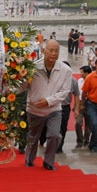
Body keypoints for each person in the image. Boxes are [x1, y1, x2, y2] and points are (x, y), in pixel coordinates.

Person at [25, 40, 72, 171]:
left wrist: (49, 100)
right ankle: (29, 160)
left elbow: (65, 91)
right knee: (33, 138)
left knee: (54, 135)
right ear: (43, 51)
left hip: (54, 110)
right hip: (35, 110)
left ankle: (49, 162)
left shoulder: (65, 70)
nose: (54, 53)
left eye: (56, 51)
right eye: (51, 50)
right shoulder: (33, 68)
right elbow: (23, 86)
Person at [56, 61, 80, 154]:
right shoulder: (54, 79)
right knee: (53, 127)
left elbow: (77, 95)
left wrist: (76, 108)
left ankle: (59, 146)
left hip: (65, 107)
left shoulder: (73, 80)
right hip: (54, 106)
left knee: (63, 127)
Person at [75, 66, 92, 148]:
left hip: (90, 104)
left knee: (88, 124)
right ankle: (79, 140)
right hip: (80, 103)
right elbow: (77, 93)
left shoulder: (93, 80)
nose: (80, 74)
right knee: (78, 122)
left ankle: (86, 140)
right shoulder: (80, 80)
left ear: (87, 73)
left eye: (81, 72)